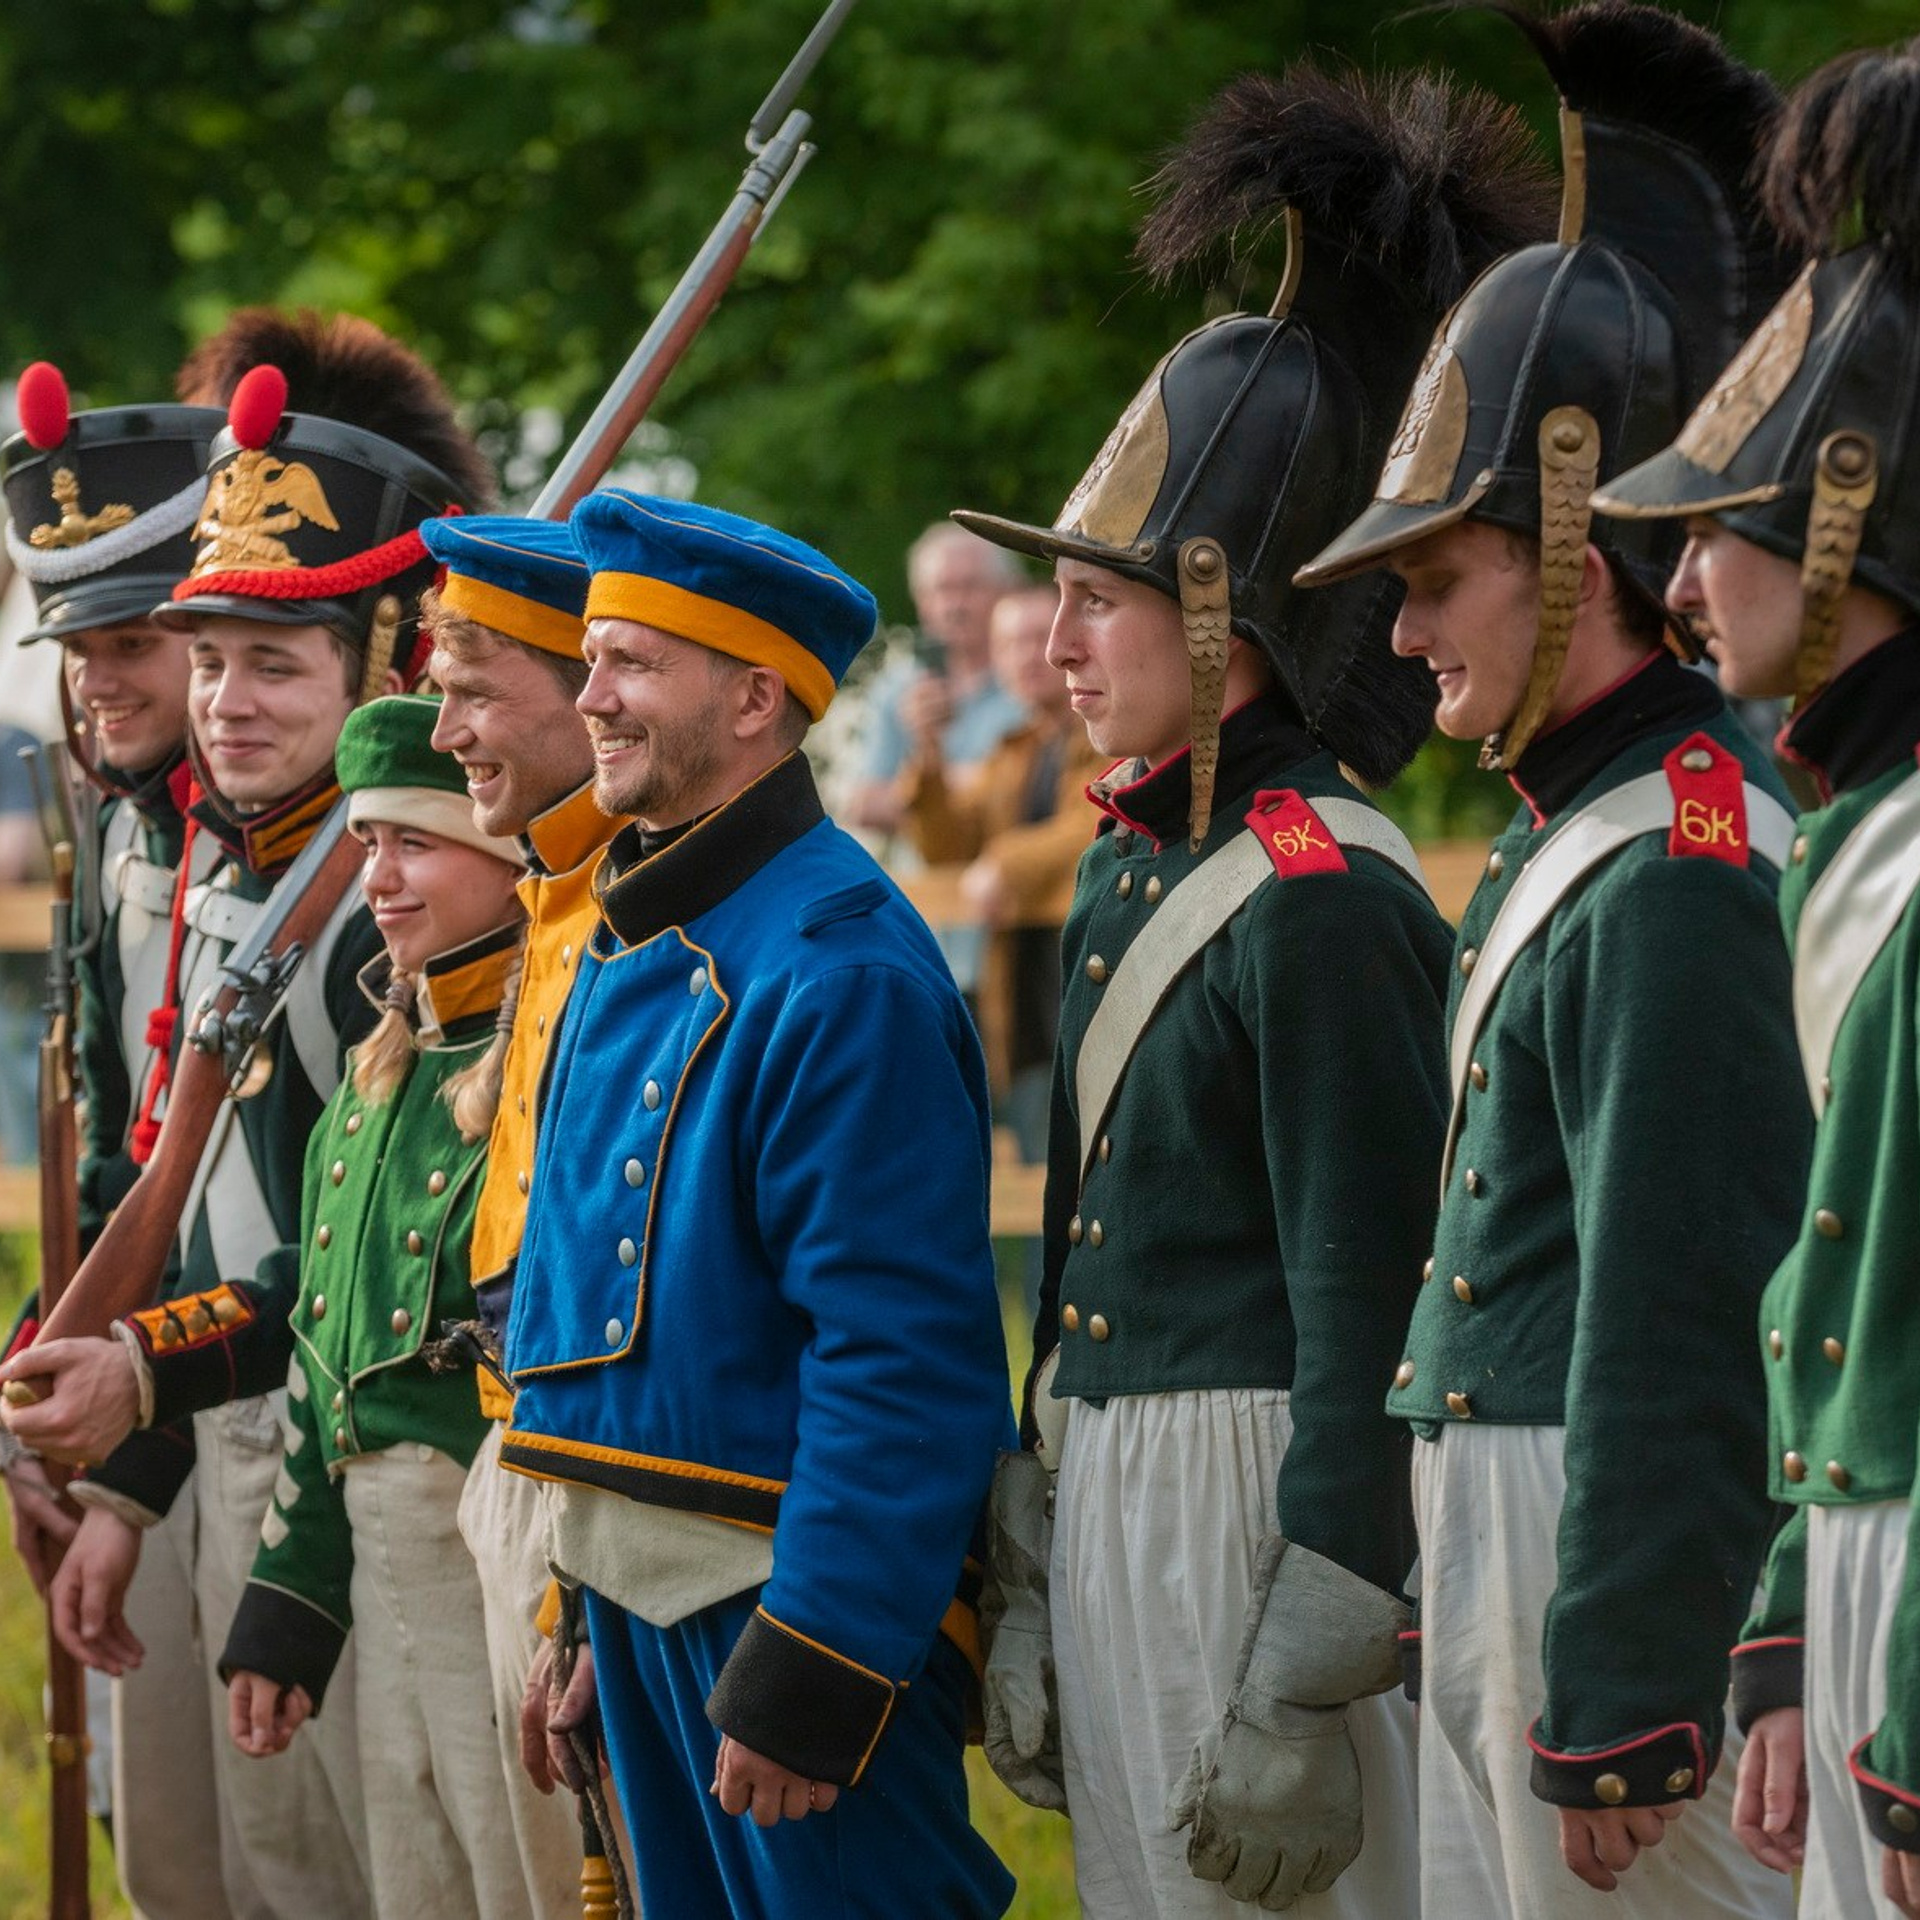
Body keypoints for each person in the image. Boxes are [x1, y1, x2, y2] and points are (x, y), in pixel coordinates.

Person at [953, 61, 1549, 1919]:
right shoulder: (1139, 854)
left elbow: (1372, 1296)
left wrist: (1321, 1631)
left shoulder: (1318, 890)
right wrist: (1050, 1533)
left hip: (1267, 1506)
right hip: (1131, 1480)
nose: (1054, 642)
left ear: (1224, 618)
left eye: (1103, 602)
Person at [1294, 9, 1810, 1915]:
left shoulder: (1677, 863)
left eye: (1436, 580)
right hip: (1520, 1523)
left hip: (1596, 1548)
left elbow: (1683, 1310)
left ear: (1578, 554)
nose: (1407, 636)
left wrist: (1625, 1682)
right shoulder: (1576, 829)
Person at [1, 307, 493, 1915]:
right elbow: (172, 1188)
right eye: (203, 659)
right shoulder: (237, 861)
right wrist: (132, 1456)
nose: (215, 701)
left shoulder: (383, 898)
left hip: (344, 1452)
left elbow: (344, 1268)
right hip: (227, 1422)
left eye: (267, 664)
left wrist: (138, 1372)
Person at [498, 487, 1016, 1918]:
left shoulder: (837, 967)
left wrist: (825, 1656)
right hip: (649, 1602)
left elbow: (901, 1354)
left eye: (628, 664)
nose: (587, 696)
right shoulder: (652, 926)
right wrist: (581, 1603)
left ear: (752, 697)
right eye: (591, 658)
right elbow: (605, 1343)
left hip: (778, 1612)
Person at [1593, 37, 1920, 1920]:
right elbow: (1830, 1288)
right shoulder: (1858, 822)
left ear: (1850, 510)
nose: (1686, 582)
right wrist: (1794, 1622)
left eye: (1719, 531)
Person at [219, 692, 536, 1917]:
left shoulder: (540, 1063)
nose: (381, 880)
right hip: (383, 1573)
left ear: (507, 856)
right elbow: (324, 1351)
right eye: (368, 846)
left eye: (416, 842)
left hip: (492, 1561)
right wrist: (294, 1588)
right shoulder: (373, 1075)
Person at [0, 357, 234, 1913]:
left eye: (136, 640)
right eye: (77, 643)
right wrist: (42, 1350)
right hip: (136, 1370)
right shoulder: (118, 826)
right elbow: (111, 1162)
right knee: (171, 1853)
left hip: (243, 1384)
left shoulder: (299, 850)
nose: (98, 680)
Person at [417, 509, 617, 1917]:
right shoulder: (557, 894)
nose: (447, 733)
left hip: (604, 1488)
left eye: (475, 688)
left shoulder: (633, 908)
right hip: (517, 1447)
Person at [897, 582, 1101, 1158]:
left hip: (1088, 968)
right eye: (1009, 643)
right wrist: (928, 752)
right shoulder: (1015, 749)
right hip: (1025, 988)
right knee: (1038, 1159)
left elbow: (1097, 818)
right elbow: (948, 845)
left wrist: (1004, 865)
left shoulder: (1113, 737)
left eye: (1036, 638)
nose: (1025, 654)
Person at [841, 521, 1025, 835]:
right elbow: (863, 806)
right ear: (921, 602)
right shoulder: (898, 687)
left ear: (1008, 592)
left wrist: (926, 790)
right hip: (921, 879)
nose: (954, 605)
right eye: (941, 590)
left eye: (969, 587)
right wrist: (966, 784)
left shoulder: (1038, 677)